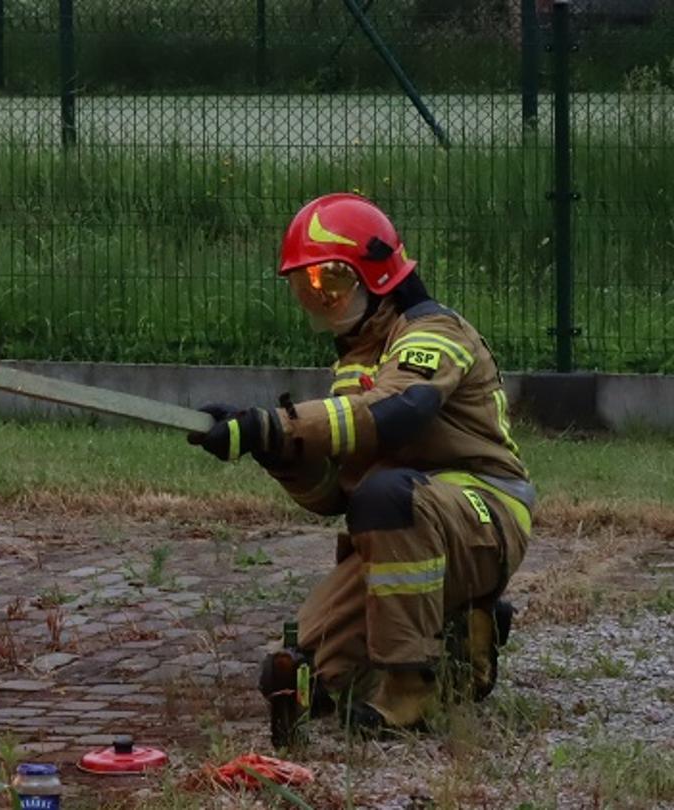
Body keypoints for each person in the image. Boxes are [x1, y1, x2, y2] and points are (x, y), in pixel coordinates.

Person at [181, 194, 531, 733]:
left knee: (389, 494)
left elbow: (400, 410)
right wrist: (275, 451)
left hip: (483, 512)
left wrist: (280, 424)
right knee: (304, 677)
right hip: (398, 521)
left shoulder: (435, 333)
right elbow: (335, 498)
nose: (320, 299)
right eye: (306, 288)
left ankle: (411, 691)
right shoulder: (353, 365)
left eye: (331, 282)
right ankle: (461, 633)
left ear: (377, 274)